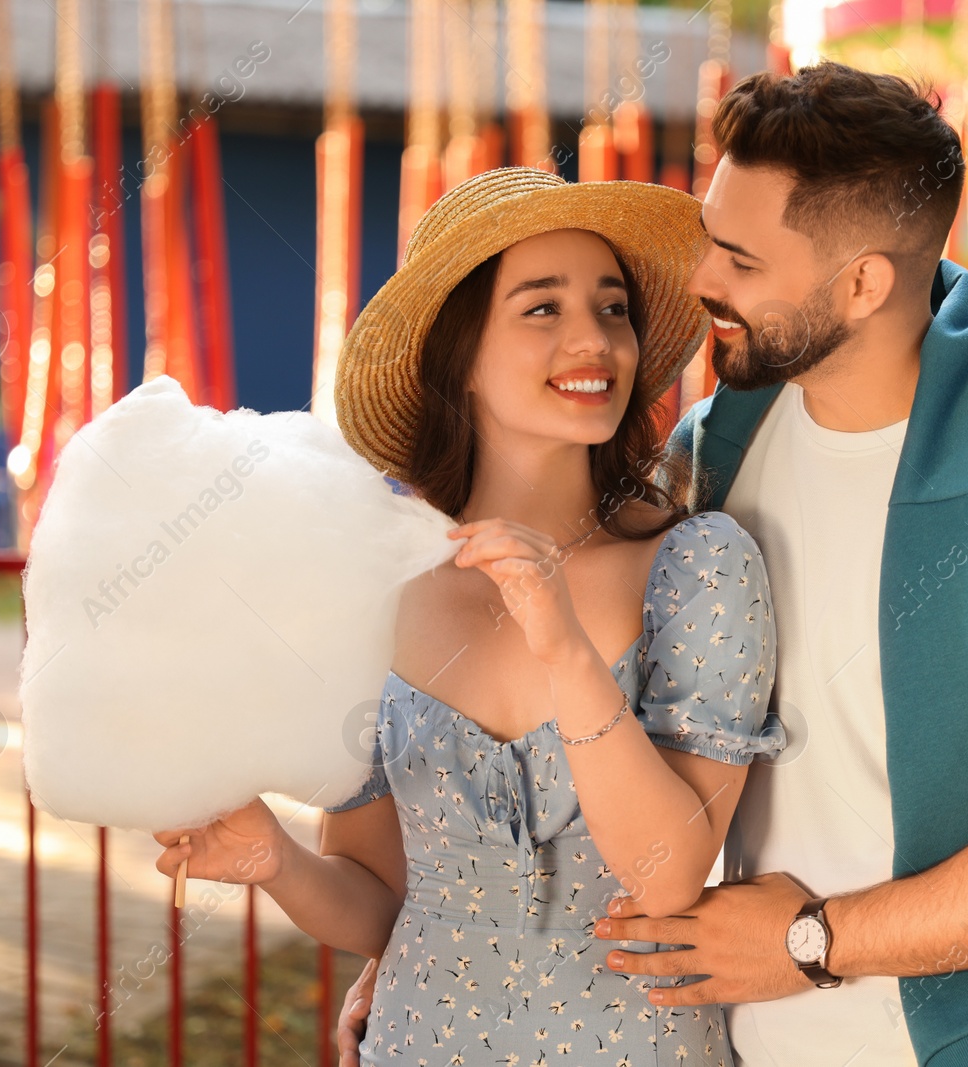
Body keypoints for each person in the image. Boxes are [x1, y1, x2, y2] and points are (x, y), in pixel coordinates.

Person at [343, 64, 968, 1066]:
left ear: (862, 283)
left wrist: (814, 941)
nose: (702, 280)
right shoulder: (721, 450)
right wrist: (433, 950)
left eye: (740, 260)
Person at [154, 166, 786, 1065]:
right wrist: (279, 863)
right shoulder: (382, 587)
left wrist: (564, 648)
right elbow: (380, 901)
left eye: (613, 309)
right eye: (542, 309)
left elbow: (669, 872)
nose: (593, 340)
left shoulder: (695, 566)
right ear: (462, 357)